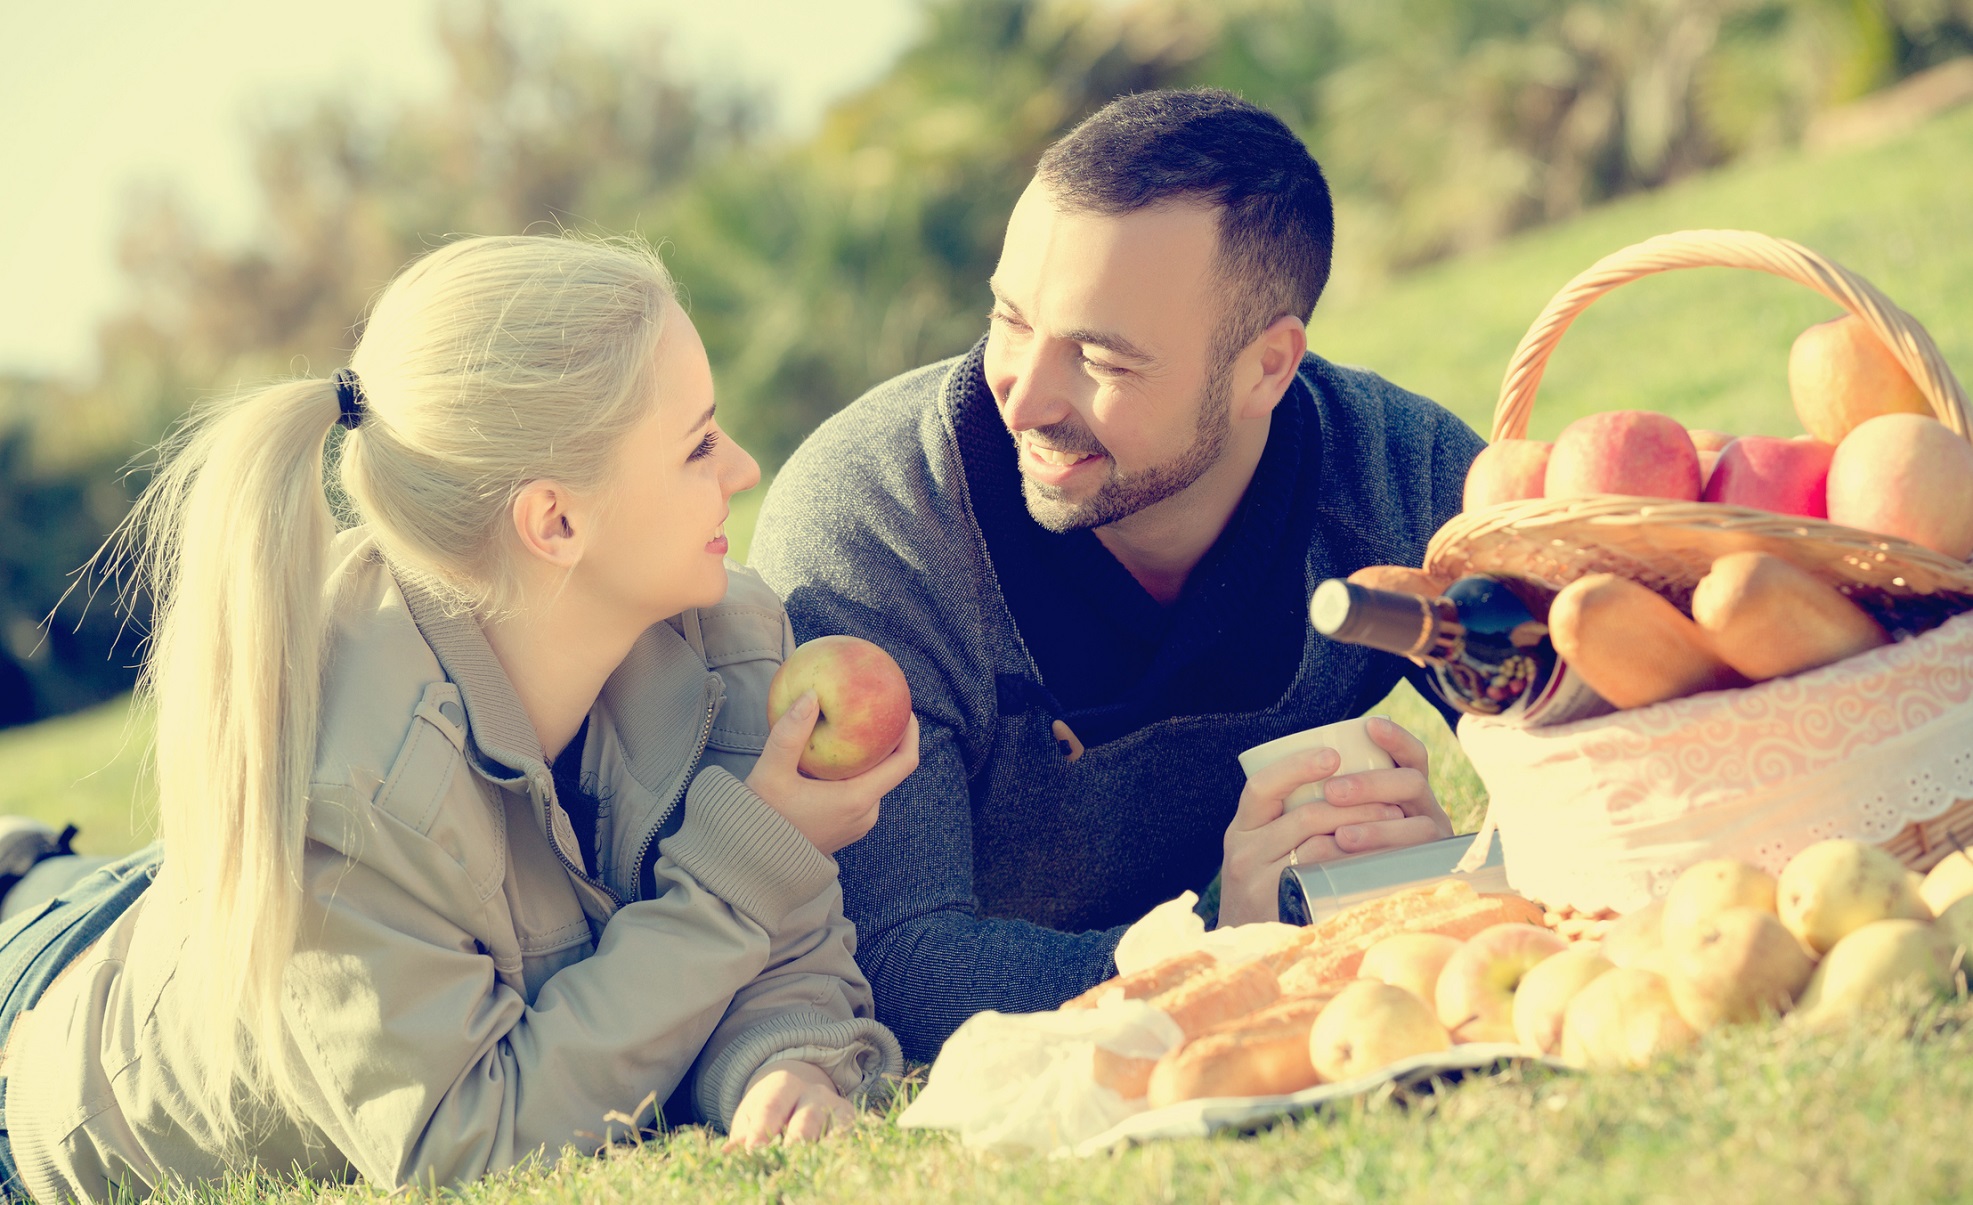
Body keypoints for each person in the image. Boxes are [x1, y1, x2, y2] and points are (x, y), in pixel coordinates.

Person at [0, 235, 919, 1201]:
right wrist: (744, 864)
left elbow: (779, 956)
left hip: (150, 902)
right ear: (554, 522)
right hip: (49, 1058)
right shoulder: (351, 796)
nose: (741, 466)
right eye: (696, 444)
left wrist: (782, 1066)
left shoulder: (729, 636)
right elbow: (468, 1146)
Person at [749, 89, 1486, 1060]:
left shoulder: (1393, 475)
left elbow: (1614, 746)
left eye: (1099, 356)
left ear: (1267, 367)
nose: (1023, 395)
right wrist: (1226, 947)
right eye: (1010, 320)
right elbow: (895, 960)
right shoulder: (871, 525)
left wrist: (1452, 872)